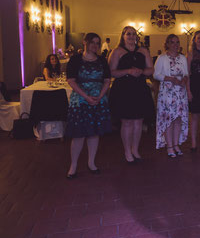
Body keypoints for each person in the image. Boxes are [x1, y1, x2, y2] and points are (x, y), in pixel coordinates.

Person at [65, 33, 112, 179]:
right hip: (80, 100)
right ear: (85, 42)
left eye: (98, 43)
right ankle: (73, 165)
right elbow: (71, 81)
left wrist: (100, 96)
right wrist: (86, 96)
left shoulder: (102, 60)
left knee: (94, 133)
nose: (95, 46)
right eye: (93, 42)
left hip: (98, 100)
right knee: (79, 134)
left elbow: (107, 80)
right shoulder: (75, 59)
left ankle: (91, 163)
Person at [108, 26, 155, 163]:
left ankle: (135, 149)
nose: (131, 36)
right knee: (127, 121)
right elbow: (111, 72)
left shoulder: (143, 51)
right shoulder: (117, 51)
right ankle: (127, 151)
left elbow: (150, 69)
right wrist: (128, 71)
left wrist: (141, 71)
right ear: (123, 36)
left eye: (134, 34)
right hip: (124, 89)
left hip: (139, 88)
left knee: (138, 121)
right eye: (128, 34)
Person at [154, 35, 189, 158]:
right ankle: (169, 146)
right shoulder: (162, 58)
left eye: (177, 42)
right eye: (172, 42)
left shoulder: (183, 58)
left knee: (178, 119)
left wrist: (184, 79)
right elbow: (156, 74)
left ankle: (176, 144)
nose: (175, 44)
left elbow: (186, 73)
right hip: (167, 94)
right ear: (167, 44)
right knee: (169, 120)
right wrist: (170, 79)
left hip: (180, 93)